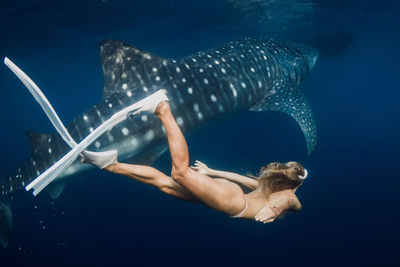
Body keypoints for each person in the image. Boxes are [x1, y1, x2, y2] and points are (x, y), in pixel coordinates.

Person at [82, 91, 308, 223]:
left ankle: (110, 164)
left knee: (166, 185)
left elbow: (240, 179)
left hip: (229, 192)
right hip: (232, 202)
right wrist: (276, 210)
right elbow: (289, 202)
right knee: (180, 173)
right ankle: (163, 108)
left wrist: (212, 172)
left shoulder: (271, 187)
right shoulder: (290, 199)